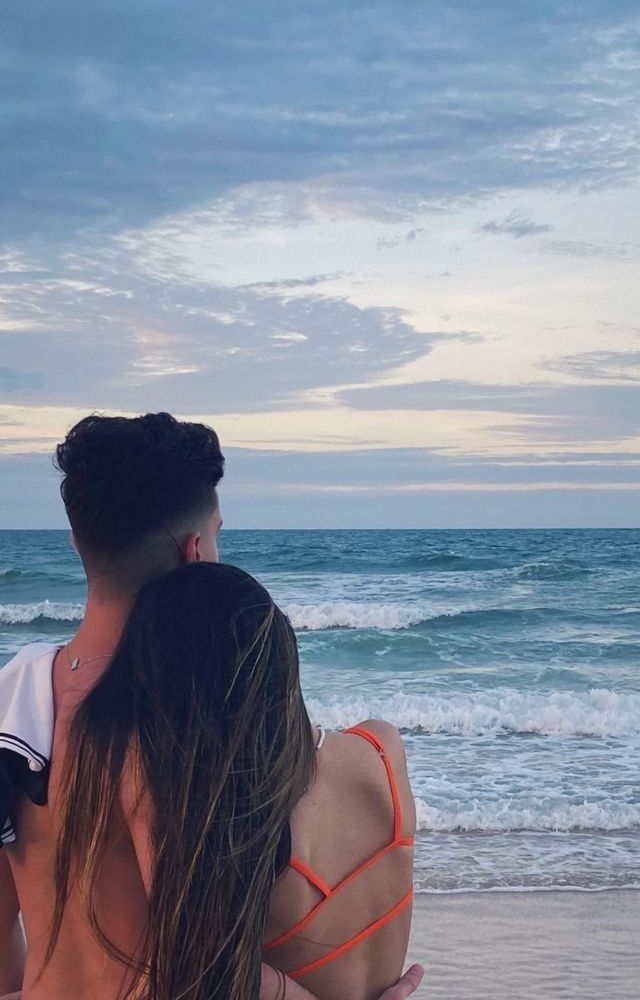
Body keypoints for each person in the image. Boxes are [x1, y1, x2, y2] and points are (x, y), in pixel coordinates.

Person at [0, 412, 423, 1000]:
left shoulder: (13, 697)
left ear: (77, 540)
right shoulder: (191, 718)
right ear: (196, 550)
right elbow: (204, 968)